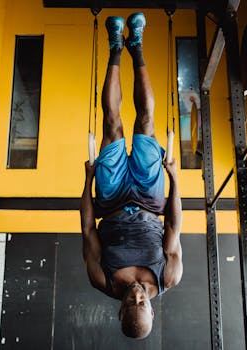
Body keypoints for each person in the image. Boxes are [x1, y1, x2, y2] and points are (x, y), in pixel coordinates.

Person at [80, 12, 183, 339]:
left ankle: (115, 47)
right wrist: (175, 179)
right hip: (151, 200)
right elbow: (174, 226)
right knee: (146, 123)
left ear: (121, 309)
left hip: (110, 200)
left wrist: (88, 179)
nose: (137, 294)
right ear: (151, 308)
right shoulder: (168, 277)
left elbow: (86, 228)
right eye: (142, 301)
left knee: (112, 124)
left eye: (131, 301)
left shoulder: (102, 280)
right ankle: (135, 45)